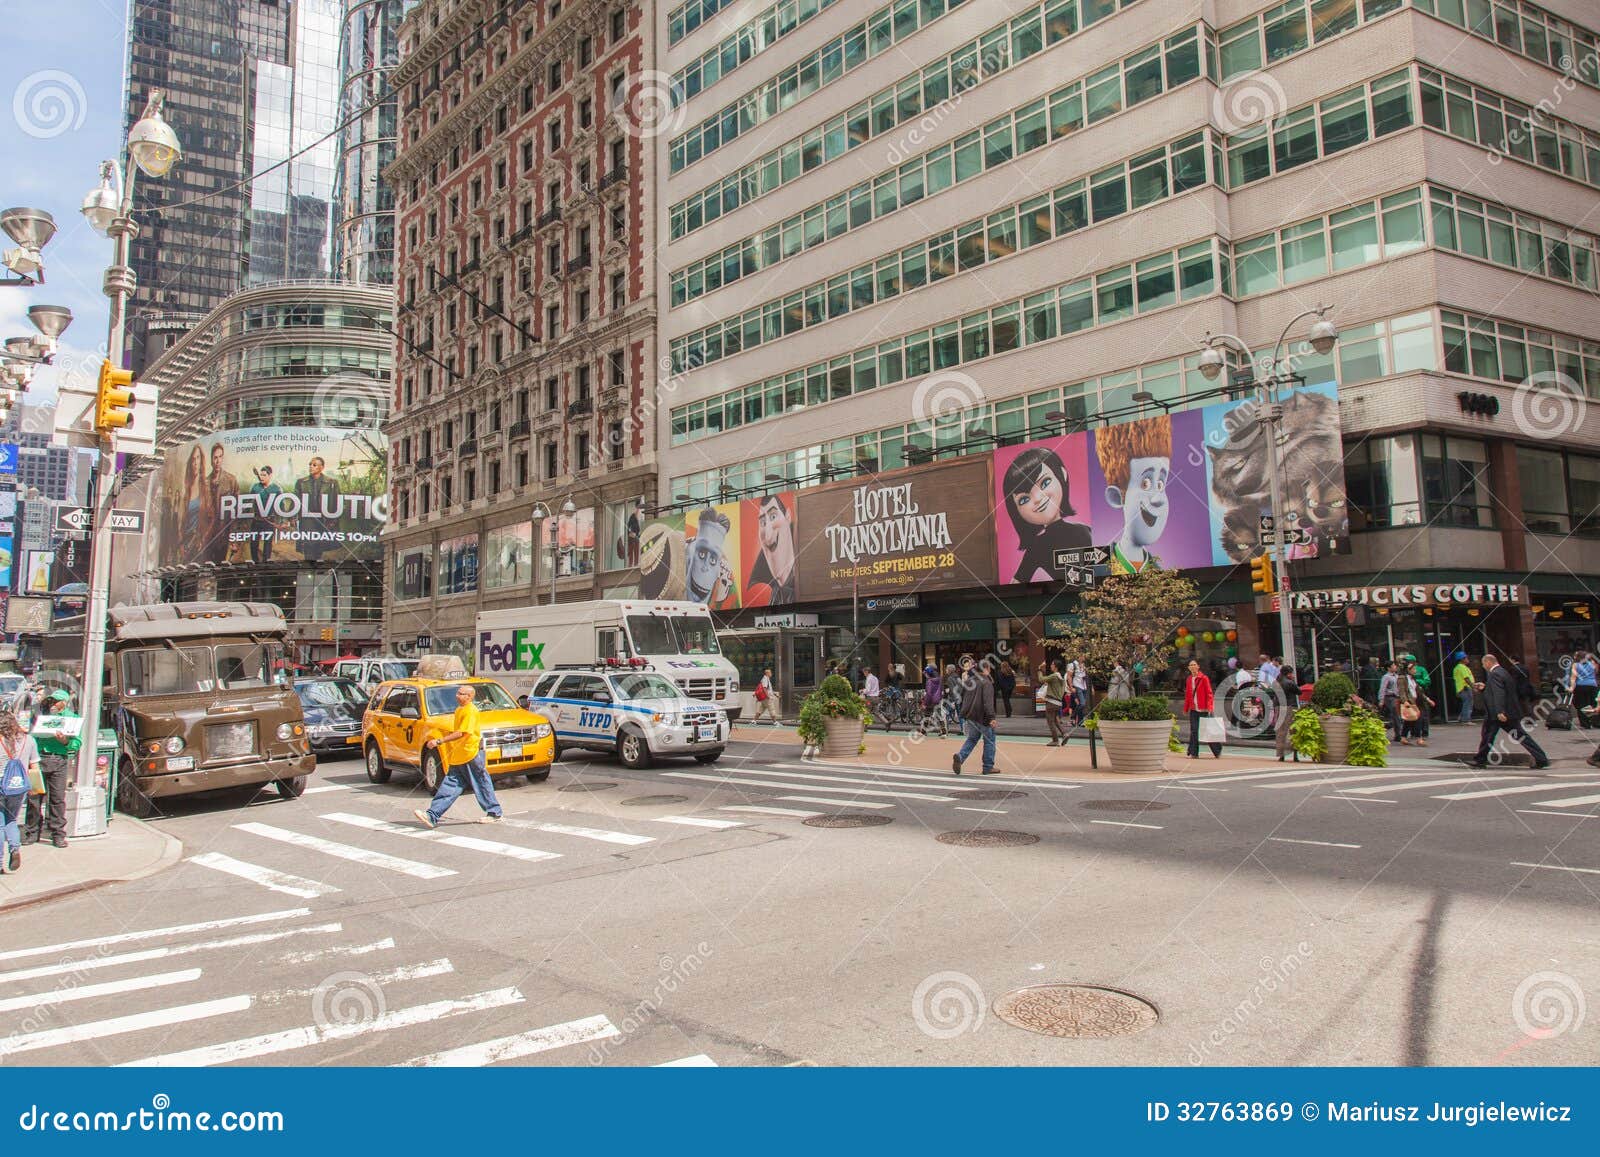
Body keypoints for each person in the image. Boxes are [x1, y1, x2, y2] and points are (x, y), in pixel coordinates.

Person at [414, 684, 504, 828]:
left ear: (470, 697)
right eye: (458, 693)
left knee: (480, 782)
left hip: (471, 753)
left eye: (462, 694)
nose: (458, 695)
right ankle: (432, 815)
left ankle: (494, 812)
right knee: (450, 785)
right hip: (459, 755)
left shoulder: (470, 711)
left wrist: (439, 741)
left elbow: (462, 733)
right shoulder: (459, 709)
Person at [1000, 445, 1091, 583]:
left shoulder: (1083, 531)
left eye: (1045, 483)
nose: (1037, 499)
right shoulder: (1036, 547)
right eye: (1024, 499)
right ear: (1016, 510)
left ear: (1062, 474)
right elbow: (1016, 582)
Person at [1470, 654, 1550, 769]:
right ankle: (1541, 758)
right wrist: (1485, 688)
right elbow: (1500, 691)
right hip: (1508, 712)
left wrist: (1500, 711)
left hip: (1497, 714)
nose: (1483, 666)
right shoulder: (1503, 672)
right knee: (1518, 736)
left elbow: (1499, 693)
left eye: (1483, 664)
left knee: (1488, 736)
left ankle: (1480, 761)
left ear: (1488, 662)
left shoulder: (1495, 674)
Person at [24, 689, 79, 848]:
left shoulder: (72, 719)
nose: (53, 705)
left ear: (64, 703)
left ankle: (58, 834)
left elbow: (77, 742)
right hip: (37, 760)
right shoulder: (41, 717)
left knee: (56, 799)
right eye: (51, 701)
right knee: (34, 798)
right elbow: (31, 737)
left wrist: (65, 742)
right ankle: (32, 832)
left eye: (56, 701)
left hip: (58, 760)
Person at [0, 710, 40, 873]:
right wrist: (35, 788)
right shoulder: (28, 740)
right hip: (20, 787)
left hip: (2, 785)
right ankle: (15, 848)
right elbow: (35, 766)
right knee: (11, 819)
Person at [951, 656, 998, 775]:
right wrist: (991, 717)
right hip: (982, 716)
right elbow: (988, 703)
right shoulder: (987, 683)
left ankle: (960, 757)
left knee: (972, 739)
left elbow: (962, 697)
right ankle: (988, 766)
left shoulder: (969, 682)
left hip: (970, 715)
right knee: (990, 740)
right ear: (987, 669)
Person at [294, 455, 343, 564]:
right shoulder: (301, 482)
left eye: (314, 465)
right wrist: (291, 519)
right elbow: (295, 503)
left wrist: (334, 520)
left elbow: (338, 503)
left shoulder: (332, 483)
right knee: (308, 550)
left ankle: (316, 571)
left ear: (322, 467)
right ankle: (309, 570)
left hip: (324, 521)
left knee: (319, 548)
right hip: (307, 521)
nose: (311, 467)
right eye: (310, 464)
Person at [1183, 659, 1221, 758]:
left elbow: (1209, 693)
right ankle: (1194, 753)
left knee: (1207, 732)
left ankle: (1217, 750)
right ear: (1188, 668)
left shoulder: (1204, 678)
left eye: (1194, 665)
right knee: (1194, 731)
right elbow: (1188, 695)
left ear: (1198, 666)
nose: (1192, 666)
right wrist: (1186, 708)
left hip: (1203, 709)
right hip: (1194, 709)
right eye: (1190, 665)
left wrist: (1210, 707)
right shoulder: (1189, 679)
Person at [247, 464, 283, 565]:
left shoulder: (276, 489)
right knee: (253, 544)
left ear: (270, 475)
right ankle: (254, 563)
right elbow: (247, 502)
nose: (262, 477)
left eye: (264, 475)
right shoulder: (255, 487)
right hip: (256, 520)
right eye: (261, 475)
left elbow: (282, 507)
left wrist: (280, 522)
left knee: (267, 544)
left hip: (269, 522)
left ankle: (266, 564)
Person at [1274, 664, 1300, 762]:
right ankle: (1295, 755)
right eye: (1291, 673)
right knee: (1293, 730)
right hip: (1290, 707)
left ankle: (1281, 755)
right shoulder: (1290, 682)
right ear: (1288, 673)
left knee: (1281, 732)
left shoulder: (1277, 682)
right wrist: (1293, 681)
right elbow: (1299, 692)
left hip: (1279, 707)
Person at [1038, 660, 1067, 746]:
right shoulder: (1061, 677)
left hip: (1051, 701)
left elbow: (1041, 679)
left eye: (1052, 664)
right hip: (1058, 702)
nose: (1051, 665)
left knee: (1050, 721)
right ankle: (1064, 734)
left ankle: (1055, 740)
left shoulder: (1054, 676)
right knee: (1055, 720)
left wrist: (1039, 669)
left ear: (1056, 667)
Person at [1567, 650, 1597, 726]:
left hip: (1580, 686)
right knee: (1593, 704)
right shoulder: (1592, 663)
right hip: (1592, 686)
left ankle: (1585, 723)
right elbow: (1595, 672)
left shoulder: (1575, 665)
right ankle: (1595, 722)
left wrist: (1571, 688)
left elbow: (1573, 678)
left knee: (1582, 705)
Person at [920, 664, 947, 738]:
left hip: (930, 701)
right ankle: (944, 732)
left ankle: (923, 732)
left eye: (926, 673)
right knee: (939, 715)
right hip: (938, 700)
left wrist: (925, 703)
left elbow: (928, 693)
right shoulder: (940, 679)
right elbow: (942, 690)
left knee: (927, 715)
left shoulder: (929, 681)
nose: (925, 675)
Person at [1378, 661, 1400, 737]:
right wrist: (1381, 700)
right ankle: (1398, 735)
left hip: (1397, 697)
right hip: (1390, 698)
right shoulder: (1386, 677)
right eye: (1393, 666)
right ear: (1388, 668)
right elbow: (1382, 688)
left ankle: (1387, 726)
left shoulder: (1397, 676)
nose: (1395, 667)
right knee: (1396, 715)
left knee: (1396, 716)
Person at [1452, 653, 1475, 724]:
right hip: (1464, 688)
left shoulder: (1458, 667)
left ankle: (1462, 717)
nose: (1468, 659)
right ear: (1462, 659)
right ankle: (1466, 720)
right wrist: (1473, 687)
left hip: (1461, 689)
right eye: (1466, 658)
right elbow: (1466, 678)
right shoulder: (1462, 667)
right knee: (1468, 703)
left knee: (1466, 703)